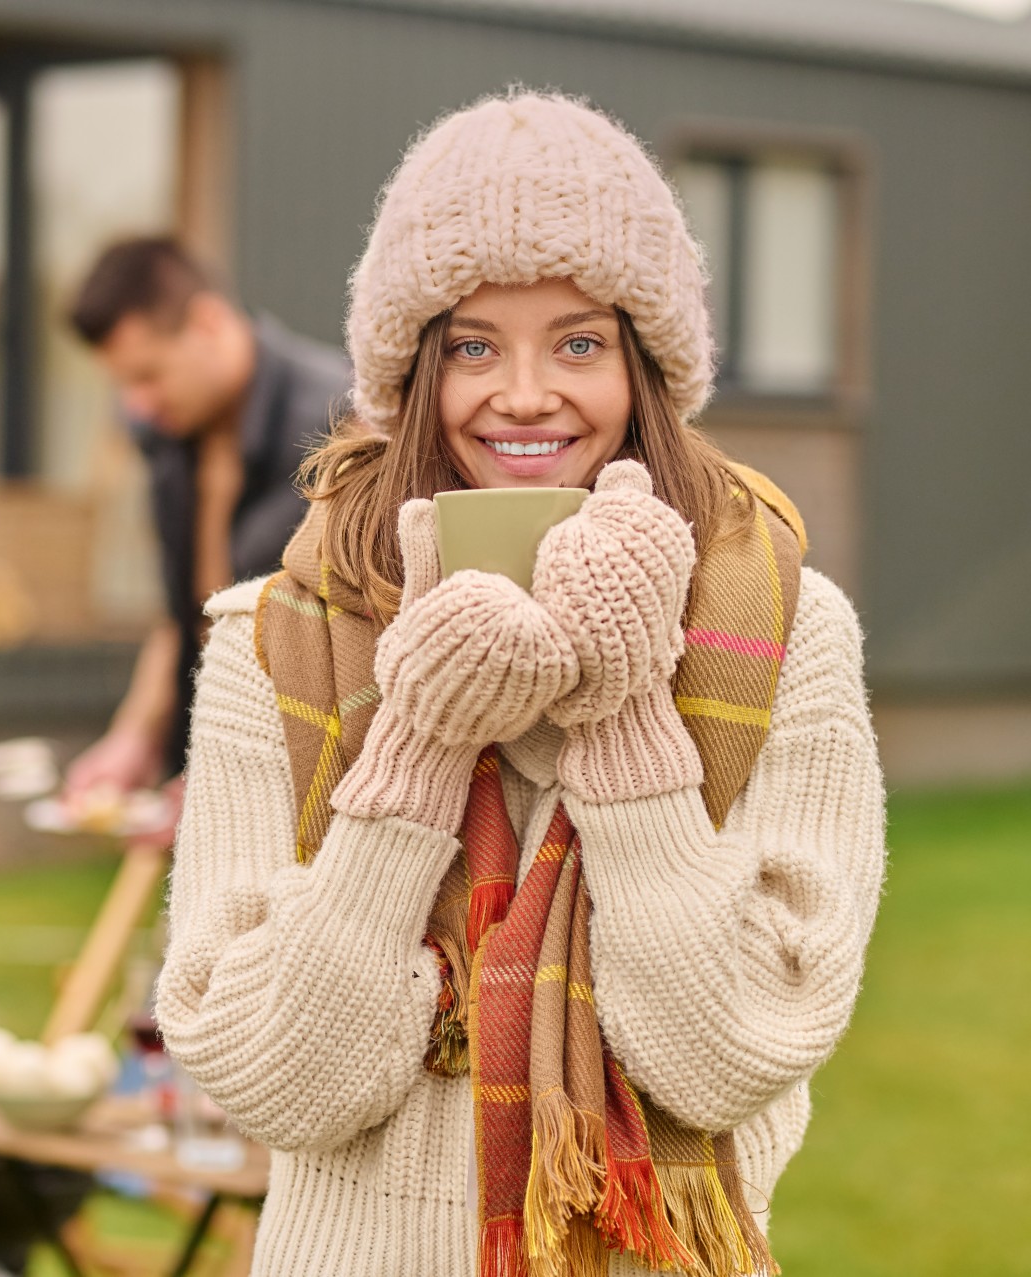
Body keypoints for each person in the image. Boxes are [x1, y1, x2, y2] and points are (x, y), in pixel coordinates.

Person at [156, 92, 886, 1277]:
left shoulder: (787, 634)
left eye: (580, 341)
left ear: (646, 364)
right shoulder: (271, 644)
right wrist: (422, 747)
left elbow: (727, 1055)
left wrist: (626, 706)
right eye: (473, 344)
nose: (526, 392)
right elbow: (277, 1081)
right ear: (412, 371)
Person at [60, 238, 350, 833]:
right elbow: (190, 614)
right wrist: (132, 738)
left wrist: (230, 772)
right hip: (216, 755)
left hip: (319, 783)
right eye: (122, 386)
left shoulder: (342, 420)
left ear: (208, 322)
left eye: (149, 375)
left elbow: (334, 637)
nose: (136, 405)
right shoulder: (170, 437)